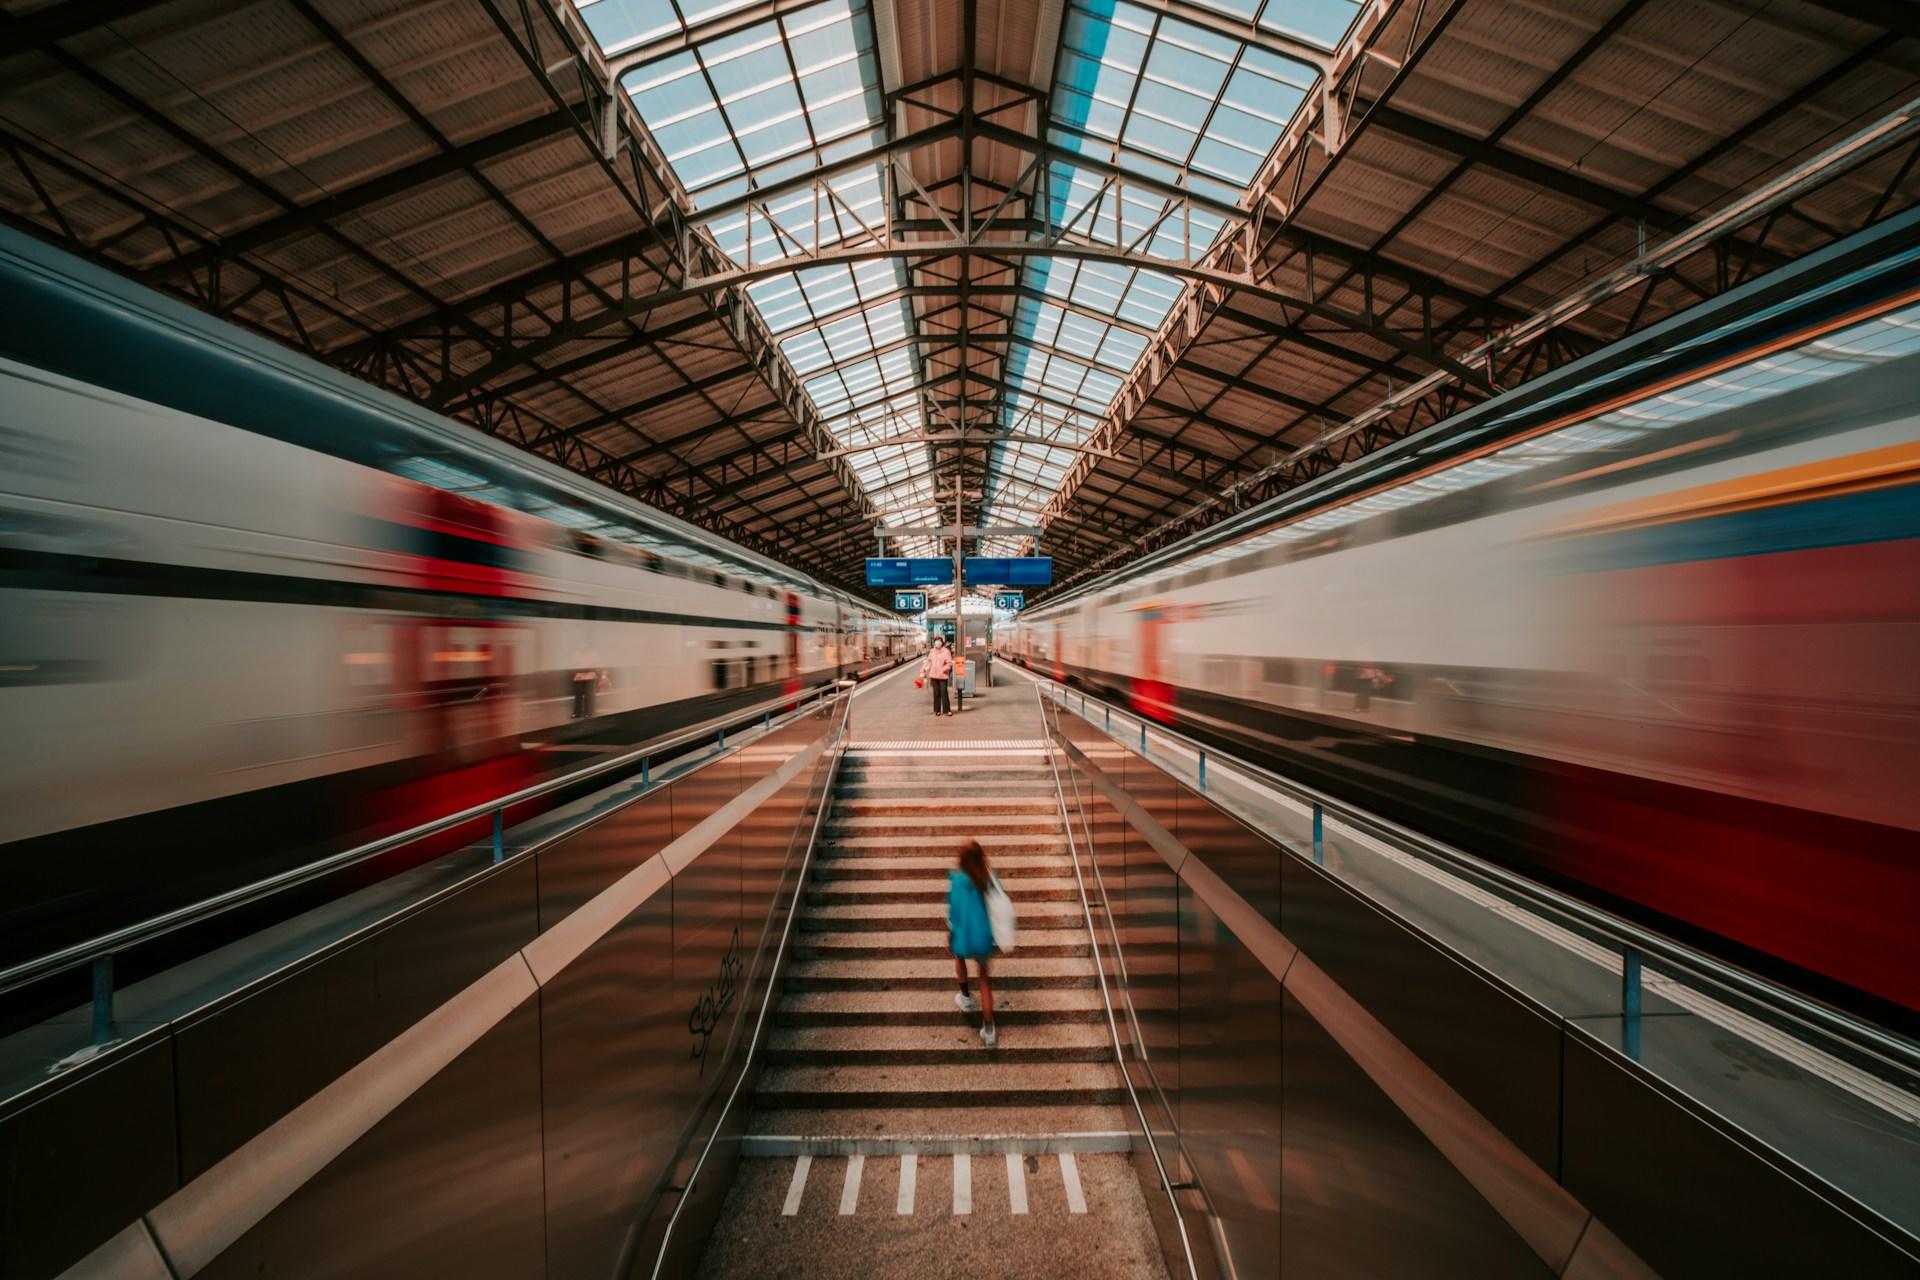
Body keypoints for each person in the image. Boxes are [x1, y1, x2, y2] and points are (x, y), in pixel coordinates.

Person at [948, 839, 997, 1047]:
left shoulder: (957, 880)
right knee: (984, 980)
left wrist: (951, 931)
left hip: (963, 934)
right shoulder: (988, 878)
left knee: (959, 957)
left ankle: (966, 997)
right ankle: (989, 1030)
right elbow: (997, 904)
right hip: (983, 936)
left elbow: (953, 910)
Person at [921, 635, 955, 716]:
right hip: (934, 675)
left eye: (939, 641)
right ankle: (937, 710)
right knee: (936, 693)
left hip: (942, 676)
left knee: (944, 693)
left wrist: (942, 670)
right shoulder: (932, 651)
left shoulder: (946, 651)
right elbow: (929, 661)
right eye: (936, 641)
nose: (937, 642)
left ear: (942, 642)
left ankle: (947, 710)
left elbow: (949, 664)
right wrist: (923, 669)